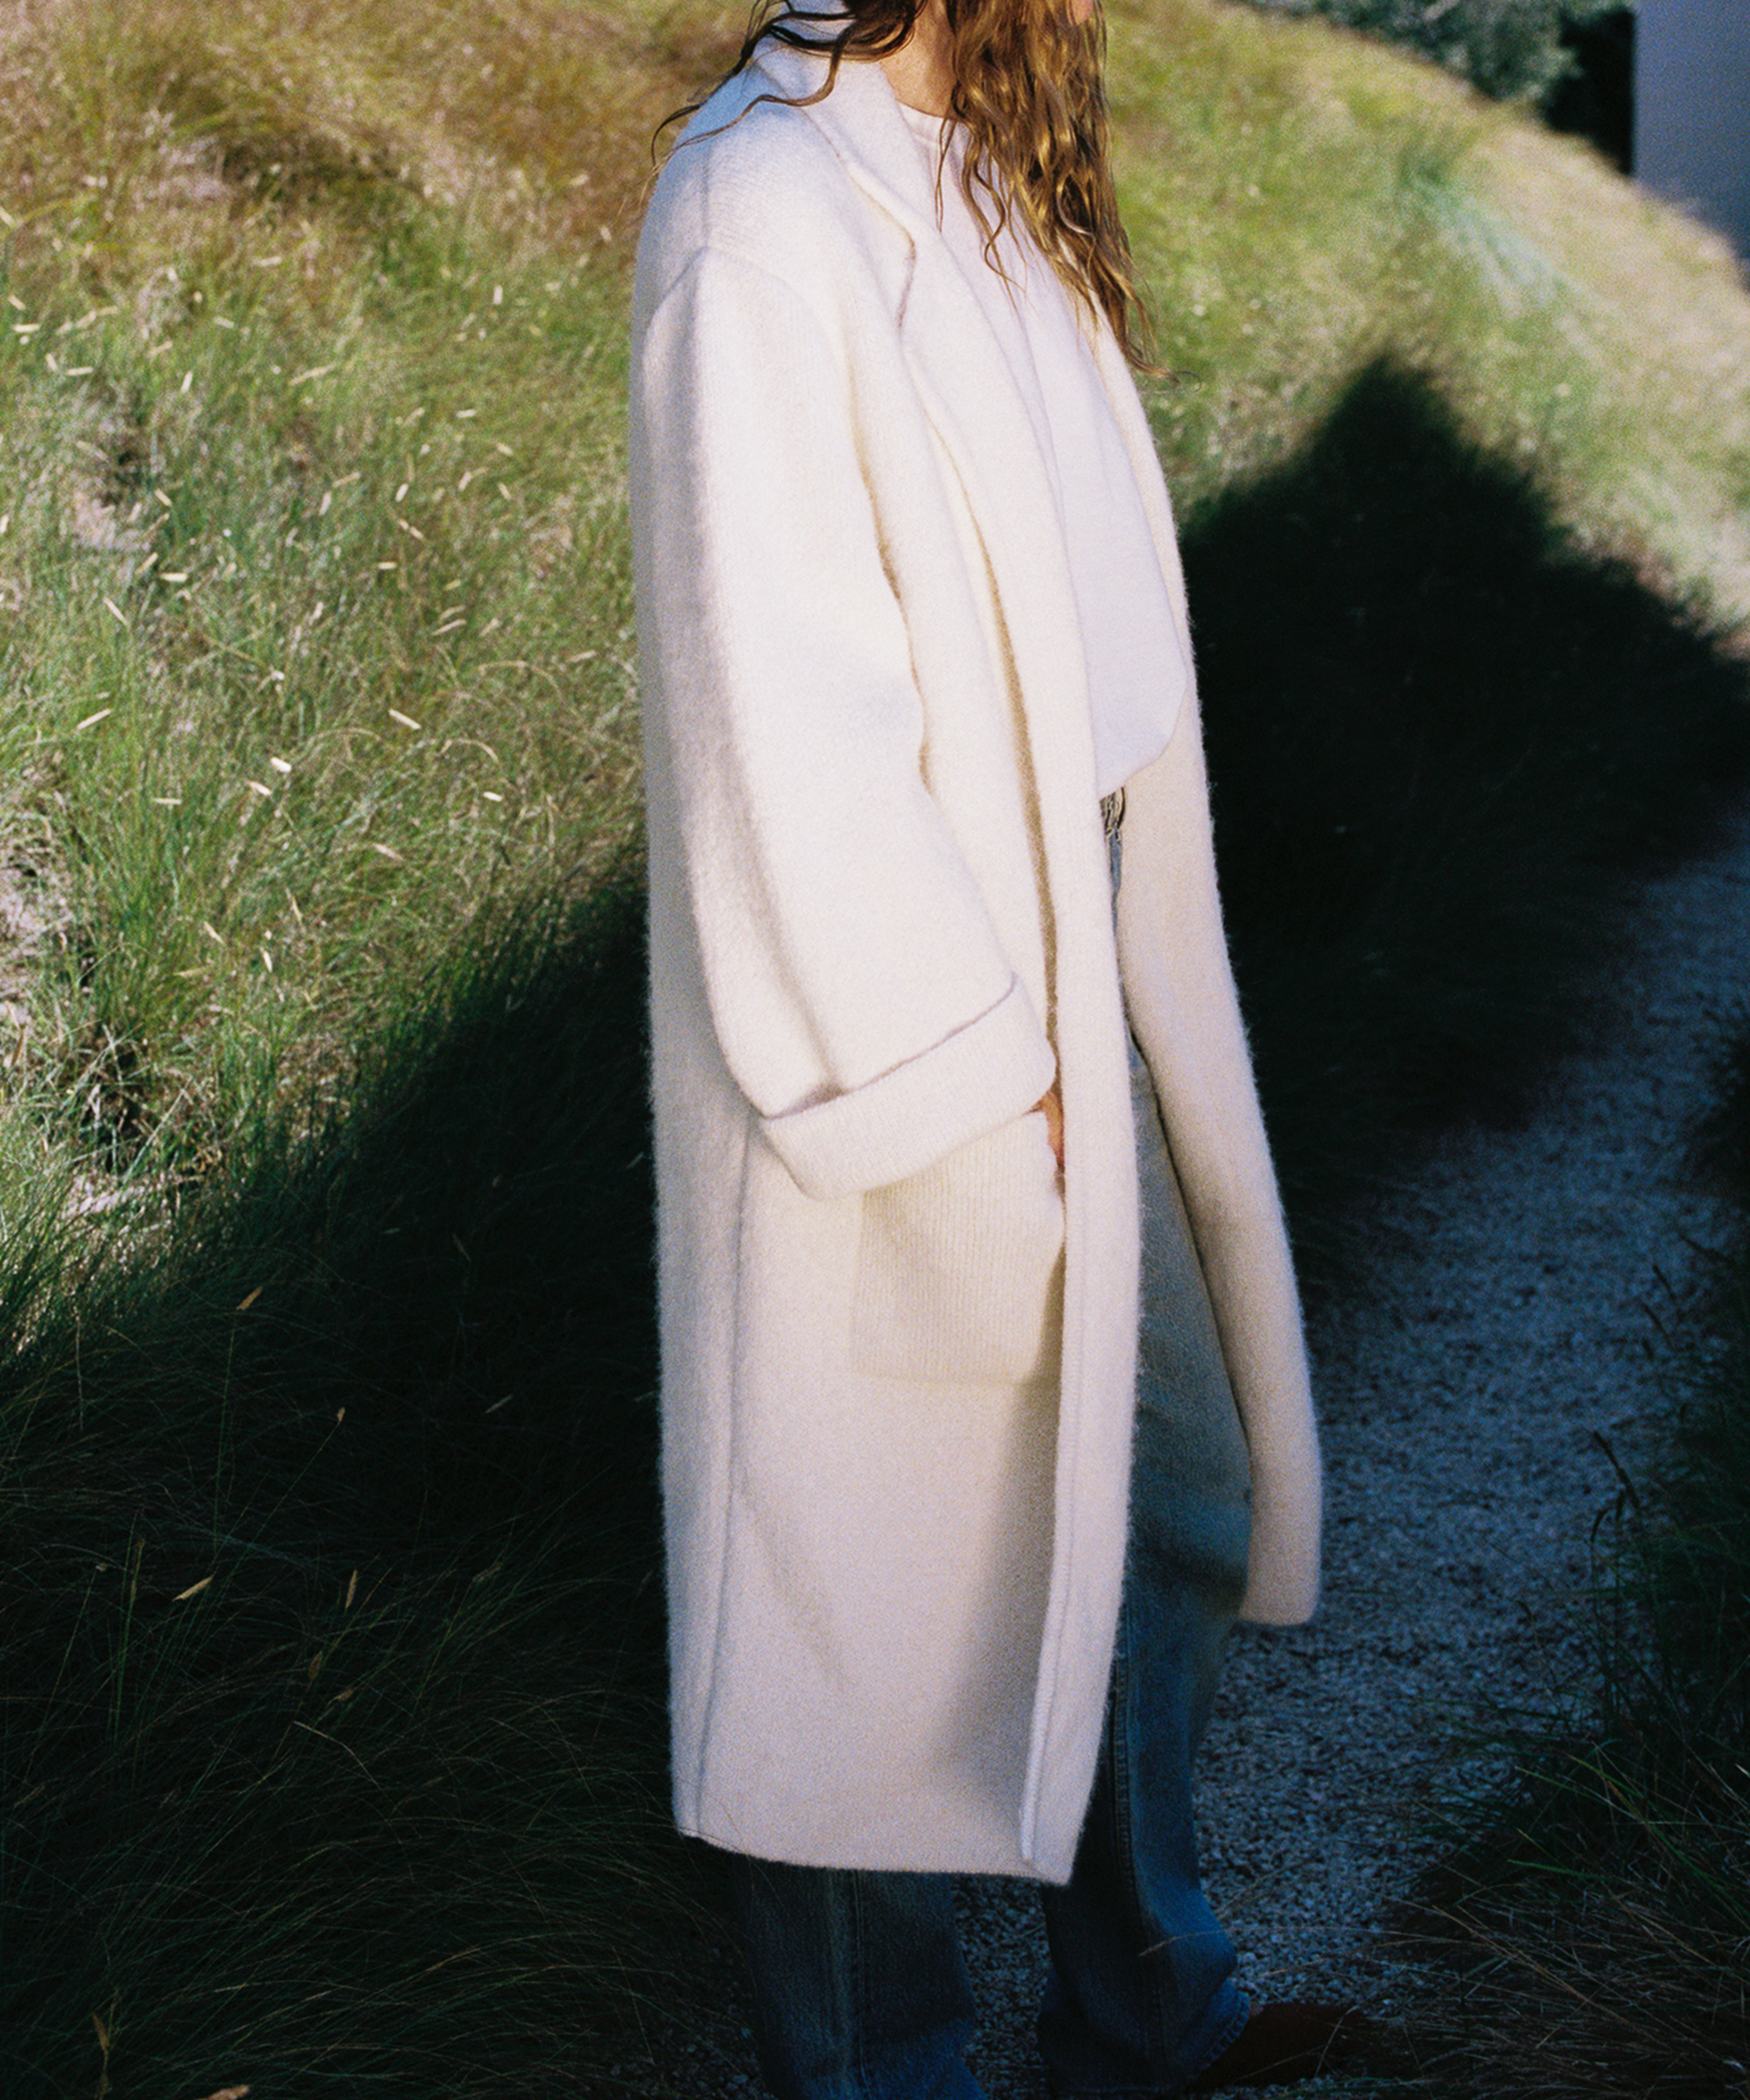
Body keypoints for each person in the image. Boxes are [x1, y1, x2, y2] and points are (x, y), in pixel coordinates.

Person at [628, 0, 1355, 2090]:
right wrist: (969, 1061)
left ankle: (1147, 2001)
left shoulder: (988, 168)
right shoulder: (757, 209)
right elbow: (774, 705)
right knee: (864, 1580)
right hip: (920, 996)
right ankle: (885, 2073)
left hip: (1102, 938)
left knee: (1161, 1505)